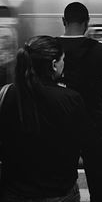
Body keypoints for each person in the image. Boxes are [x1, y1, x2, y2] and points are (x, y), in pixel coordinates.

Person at [0, 36, 90, 202]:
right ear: (54, 64)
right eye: (63, 60)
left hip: (14, 192)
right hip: (59, 192)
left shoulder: (6, 94)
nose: (64, 64)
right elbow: (82, 142)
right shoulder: (70, 98)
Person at [57, 2, 102, 202]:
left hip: (60, 128)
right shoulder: (100, 50)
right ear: (87, 23)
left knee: (60, 185)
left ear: (63, 21)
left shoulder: (51, 48)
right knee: (100, 189)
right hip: (94, 126)